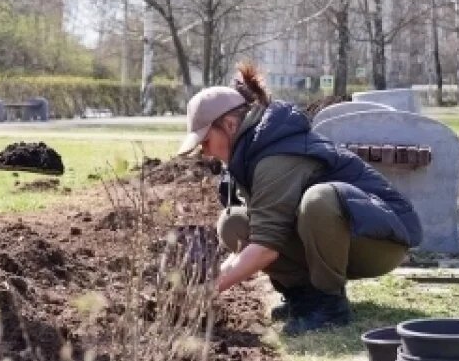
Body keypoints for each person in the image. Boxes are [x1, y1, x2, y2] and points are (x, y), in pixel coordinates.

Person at [179, 64, 423, 335]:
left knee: (319, 200)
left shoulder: (274, 155)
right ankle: (304, 296)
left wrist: (206, 291)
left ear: (229, 125)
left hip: (380, 240)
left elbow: (265, 247)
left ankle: (329, 306)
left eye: (206, 141)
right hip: (340, 234)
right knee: (234, 223)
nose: (205, 152)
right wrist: (206, 283)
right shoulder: (252, 150)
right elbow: (262, 230)